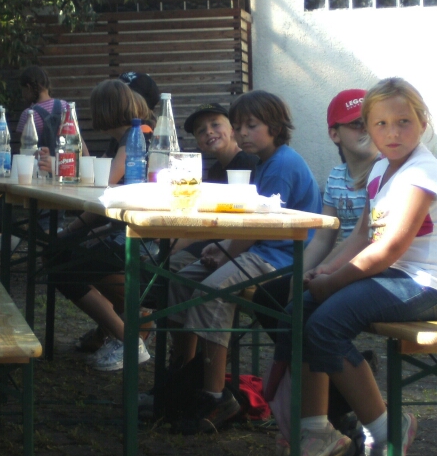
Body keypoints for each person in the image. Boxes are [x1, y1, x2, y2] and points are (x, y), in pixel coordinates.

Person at [273, 78, 437, 456]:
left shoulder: (422, 173)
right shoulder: (380, 169)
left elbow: (390, 248)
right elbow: (363, 235)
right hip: (392, 276)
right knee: (298, 312)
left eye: (404, 122)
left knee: (326, 325)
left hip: (427, 285)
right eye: (380, 124)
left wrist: (334, 282)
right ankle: (317, 430)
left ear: (423, 121)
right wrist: (327, 268)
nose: (392, 133)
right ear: (369, 127)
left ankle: (387, 430)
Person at [166, 90, 321, 434]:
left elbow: (259, 229)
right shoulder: (266, 161)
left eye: (251, 126)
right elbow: (252, 223)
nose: (242, 133)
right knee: (181, 280)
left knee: (211, 291)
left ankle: (215, 395)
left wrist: (226, 250)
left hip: (281, 257)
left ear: (275, 127)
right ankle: (183, 373)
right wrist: (223, 245)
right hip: (261, 248)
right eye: (238, 127)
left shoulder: (282, 164)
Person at [252, 88, 379, 456]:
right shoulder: (337, 177)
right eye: (355, 124)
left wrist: (323, 272)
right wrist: (301, 274)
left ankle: (326, 417)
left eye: (369, 122)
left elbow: (371, 242)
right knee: (271, 297)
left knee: (305, 315)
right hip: (342, 266)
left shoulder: (385, 173)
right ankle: (325, 409)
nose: (365, 129)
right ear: (334, 134)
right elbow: (324, 238)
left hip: (370, 270)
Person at [54, 79, 155, 371]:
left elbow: (105, 183)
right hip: (122, 228)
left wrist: (80, 150)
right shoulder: (124, 139)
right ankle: (120, 332)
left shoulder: (137, 136)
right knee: (59, 254)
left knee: (66, 267)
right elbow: (104, 197)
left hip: (141, 236)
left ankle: (128, 340)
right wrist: (71, 231)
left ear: (105, 109)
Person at [169, 103, 259, 272]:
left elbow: (242, 222)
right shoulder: (215, 171)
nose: (209, 132)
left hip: (235, 245)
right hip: (211, 241)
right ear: (199, 144)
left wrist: (187, 240)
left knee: (167, 266)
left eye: (215, 124)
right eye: (201, 130)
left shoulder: (248, 164)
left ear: (233, 129)